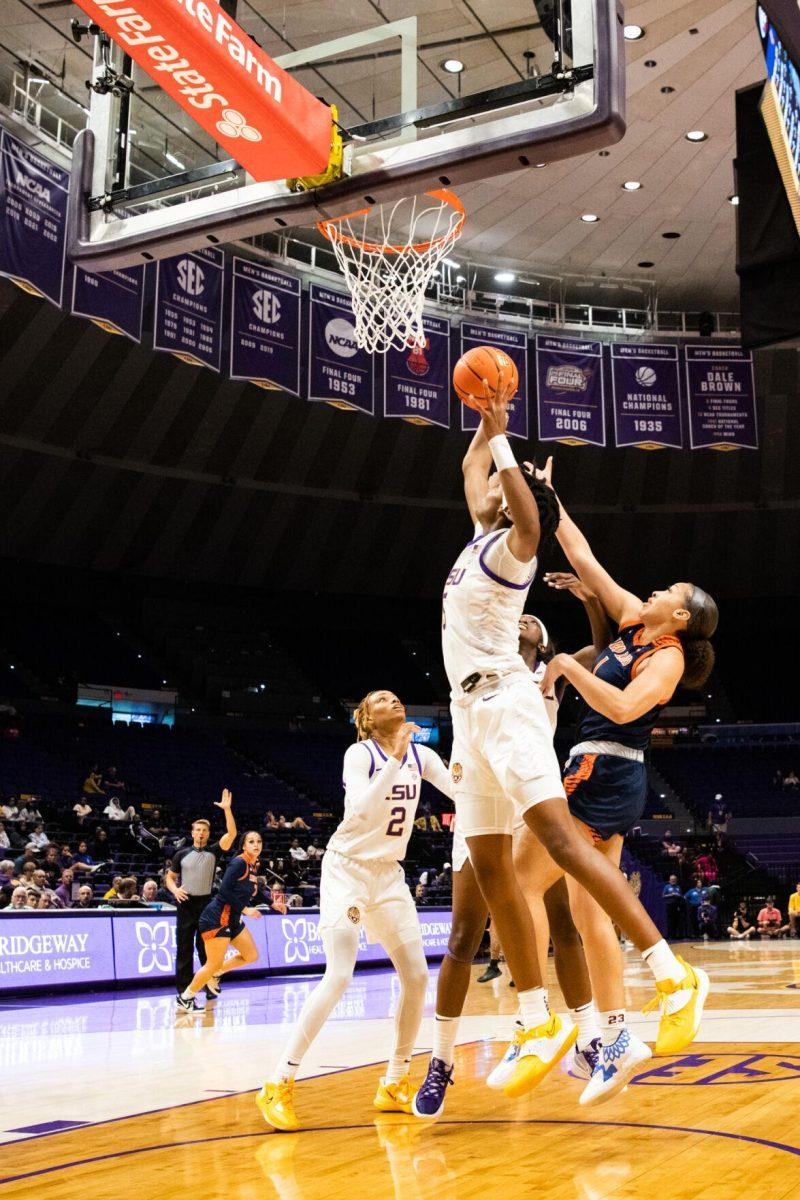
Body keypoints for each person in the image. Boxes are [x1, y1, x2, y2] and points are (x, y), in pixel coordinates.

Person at [442, 393, 711, 1106]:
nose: (651, 589)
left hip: (600, 757)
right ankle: (599, 1032)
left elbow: (622, 706)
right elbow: (579, 551)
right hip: (552, 742)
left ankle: (656, 981)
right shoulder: (629, 621)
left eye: (667, 590)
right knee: (569, 904)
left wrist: (565, 667)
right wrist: (531, 473)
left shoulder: (670, 656)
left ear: (678, 615)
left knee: (537, 884)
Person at [257, 690, 452, 1133]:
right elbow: (361, 807)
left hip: (388, 875)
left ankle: (395, 1082)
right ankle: (278, 1081)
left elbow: (461, 789)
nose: (395, 700)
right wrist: (394, 758)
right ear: (366, 718)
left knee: (418, 977)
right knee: (340, 974)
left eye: (398, 697)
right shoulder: (358, 753)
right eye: (382, 699)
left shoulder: (422, 756)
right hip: (346, 869)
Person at [177, 831, 264, 1010]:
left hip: (232, 918)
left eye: (259, 841)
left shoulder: (253, 865)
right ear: (243, 846)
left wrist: (273, 903)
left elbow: (255, 891)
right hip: (217, 918)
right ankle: (186, 997)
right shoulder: (239, 863)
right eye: (251, 841)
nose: (256, 844)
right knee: (212, 963)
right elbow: (224, 891)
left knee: (251, 956)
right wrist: (245, 909)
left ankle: (217, 974)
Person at [165, 790, 237, 1003]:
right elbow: (170, 877)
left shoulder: (214, 851)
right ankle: (184, 991)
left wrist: (227, 809)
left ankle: (210, 985)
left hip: (206, 905)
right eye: (198, 830)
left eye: (205, 830)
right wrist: (175, 889)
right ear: (192, 832)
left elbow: (232, 834)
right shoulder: (181, 854)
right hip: (186, 904)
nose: (201, 833)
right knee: (184, 948)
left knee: (207, 949)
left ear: (208, 833)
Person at [663, 875, 684, 940]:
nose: (673, 880)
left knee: (676, 920)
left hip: (677, 905)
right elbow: (663, 895)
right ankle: (670, 936)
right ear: (669, 880)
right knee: (670, 921)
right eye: (672, 879)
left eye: (674, 879)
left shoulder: (678, 887)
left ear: (676, 880)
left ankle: (675, 935)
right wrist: (671, 895)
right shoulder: (667, 887)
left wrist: (678, 895)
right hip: (669, 905)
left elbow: (681, 895)